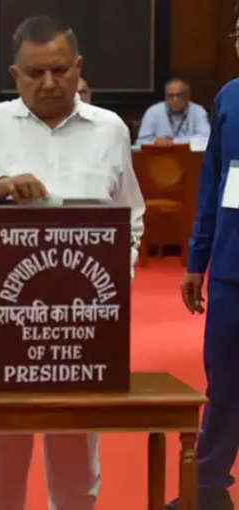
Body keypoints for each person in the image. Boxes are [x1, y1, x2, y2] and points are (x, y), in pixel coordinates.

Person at [0, 16, 145, 510]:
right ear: (14, 73)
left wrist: (116, 277)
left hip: (83, 330)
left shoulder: (109, 130)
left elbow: (131, 218)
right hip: (5, 327)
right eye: (34, 73)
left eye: (61, 70)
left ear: (79, 68)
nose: (49, 83)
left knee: (76, 472)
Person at [169, 12, 239, 510]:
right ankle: (209, 484)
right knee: (224, 375)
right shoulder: (229, 98)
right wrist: (197, 260)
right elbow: (212, 183)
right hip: (232, 267)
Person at [136, 77, 211, 147]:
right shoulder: (153, 111)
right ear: (165, 96)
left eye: (179, 95)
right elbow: (140, 142)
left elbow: (206, 139)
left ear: (188, 95)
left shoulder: (198, 111)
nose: (175, 100)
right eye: (170, 96)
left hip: (189, 156)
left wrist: (173, 142)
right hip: (161, 157)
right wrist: (155, 142)